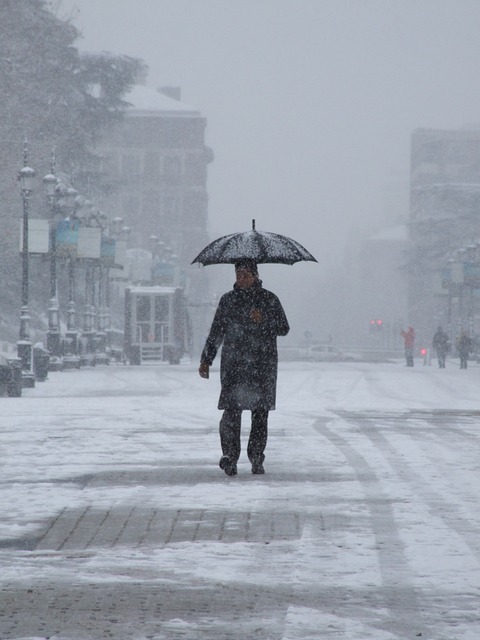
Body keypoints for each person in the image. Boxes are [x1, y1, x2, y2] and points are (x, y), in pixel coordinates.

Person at [198, 259, 290, 476]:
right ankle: (229, 457)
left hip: (262, 366)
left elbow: (284, 328)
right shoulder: (228, 301)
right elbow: (216, 332)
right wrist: (206, 359)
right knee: (231, 412)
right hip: (234, 366)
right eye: (238, 274)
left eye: (246, 274)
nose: (241, 278)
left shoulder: (269, 299)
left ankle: (257, 457)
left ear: (256, 276)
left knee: (260, 414)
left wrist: (265, 319)